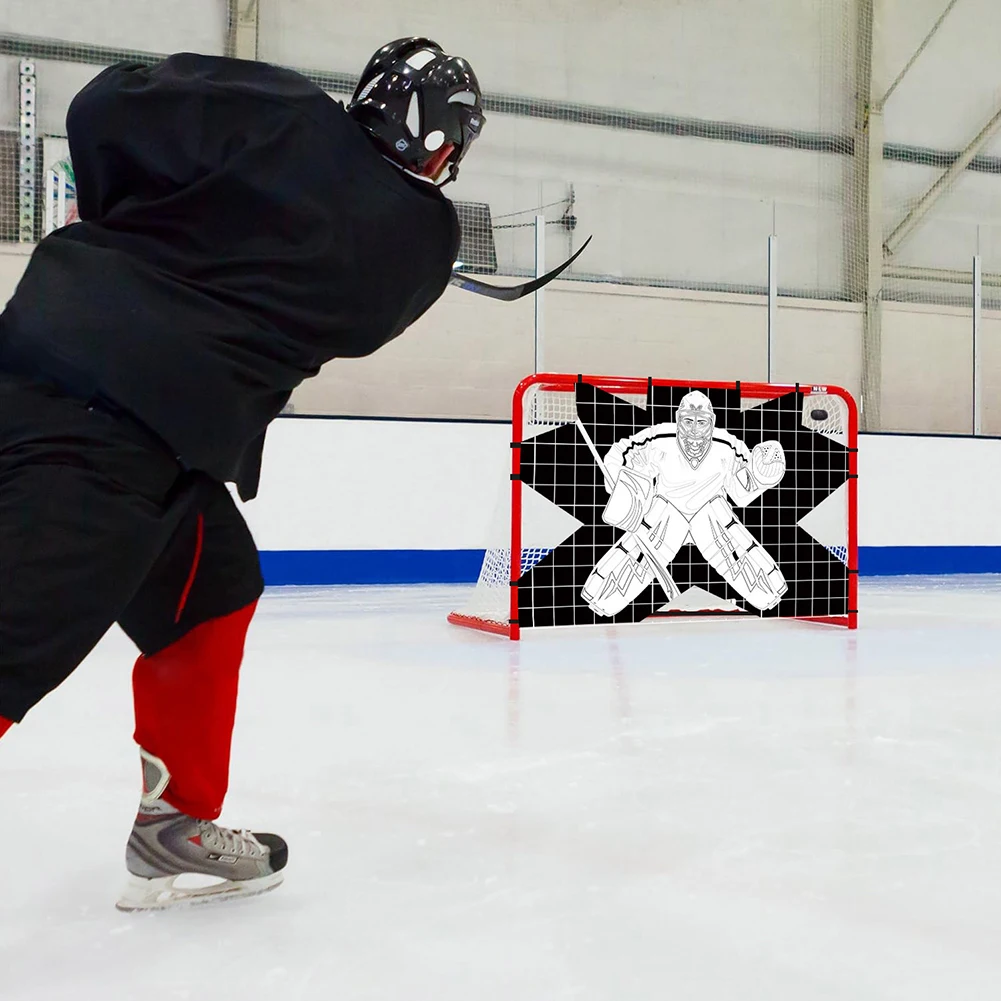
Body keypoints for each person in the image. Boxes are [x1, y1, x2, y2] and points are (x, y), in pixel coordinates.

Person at [0, 37, 484, 911]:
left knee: (214, 587)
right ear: (446, 147)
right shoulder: (422, 238)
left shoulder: (279, 110)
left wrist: (137, 212)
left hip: (81, 380)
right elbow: (353, 318)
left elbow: (100, 107)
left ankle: (175, 822)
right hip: (108, 431)